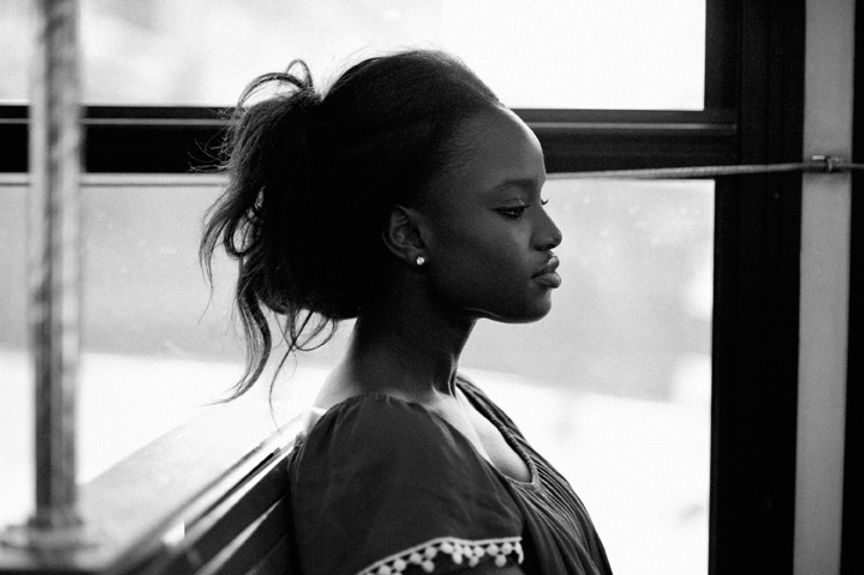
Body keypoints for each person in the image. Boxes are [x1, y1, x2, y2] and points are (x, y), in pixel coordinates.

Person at [201, 50, 613, 575]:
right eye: (513, 209)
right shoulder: (390, 439)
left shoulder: (456, 400)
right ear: (410, 235)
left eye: (542, 204)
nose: (550, 235)